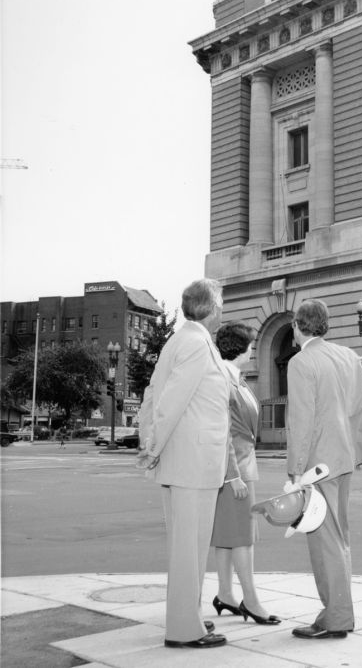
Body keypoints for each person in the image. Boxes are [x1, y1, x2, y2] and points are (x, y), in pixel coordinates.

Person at [138, 278, 230, 650]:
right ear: (209, 307)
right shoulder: (194, 344)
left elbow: (153, 394)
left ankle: (187, 615)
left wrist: (152, 443)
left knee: (189, 547)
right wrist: (153, 445)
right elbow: (170, 401)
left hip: (190, 462)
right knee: (189, 548)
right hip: (192, 462)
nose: (223, 310)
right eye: (221, 302)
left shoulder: (185, 340)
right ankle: (182, 627)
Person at [286, 298, 362, 640]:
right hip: (344, 459)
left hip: (318, 465)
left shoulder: (300, 362)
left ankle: (336, 617)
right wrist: (346, 420)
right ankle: (337, 612)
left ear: (298, 326)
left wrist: (295, 471)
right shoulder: (347, 356)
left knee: (324, 540)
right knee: (338, 537)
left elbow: (301, 420)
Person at [210, 321, 281, 626]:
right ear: (241, 347)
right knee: (243, 538)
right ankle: (250, 601)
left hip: (239, 467)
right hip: (234, 471)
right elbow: (221, 430)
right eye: (251, 344)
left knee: (228, 535)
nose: (253, 349)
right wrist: (232, 475)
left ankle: (225, 594)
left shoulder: (234, 377)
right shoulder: (224, 379)